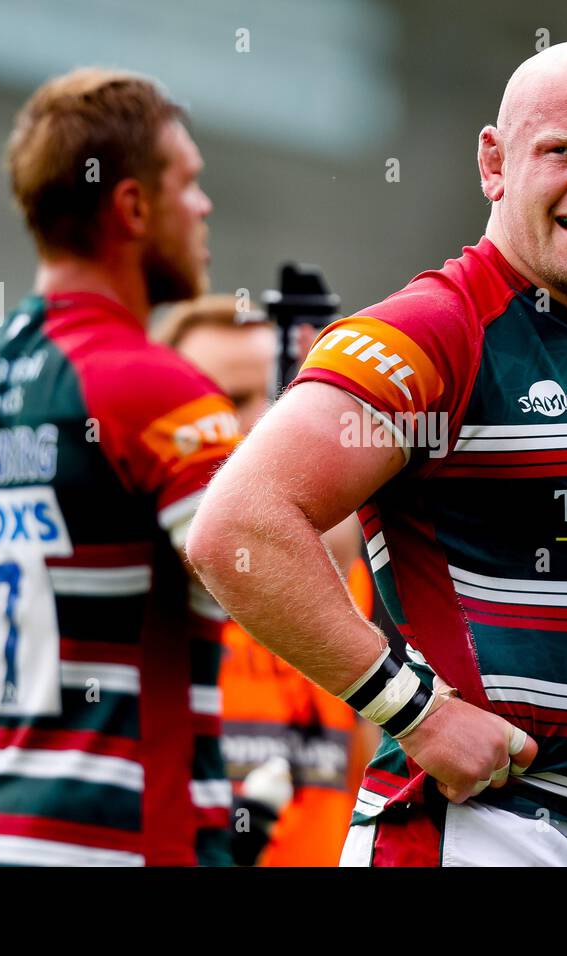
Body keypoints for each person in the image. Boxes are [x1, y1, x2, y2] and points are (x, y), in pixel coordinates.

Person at [186, 41, 567, 866]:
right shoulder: (432, 331)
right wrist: (419, 714)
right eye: (562, 151)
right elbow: (238, 527)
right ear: (495, 163)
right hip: (483, 834)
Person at [0, 68, 240, 866]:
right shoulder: (156, 390)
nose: (205, 207)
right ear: (133, 207)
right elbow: (273, 580)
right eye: (191, 184)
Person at [154, 295, 380, 865]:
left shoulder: (344, 567)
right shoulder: (145, 571)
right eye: (226, 401)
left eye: (278, 397)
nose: (259, 423)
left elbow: (361, 751)